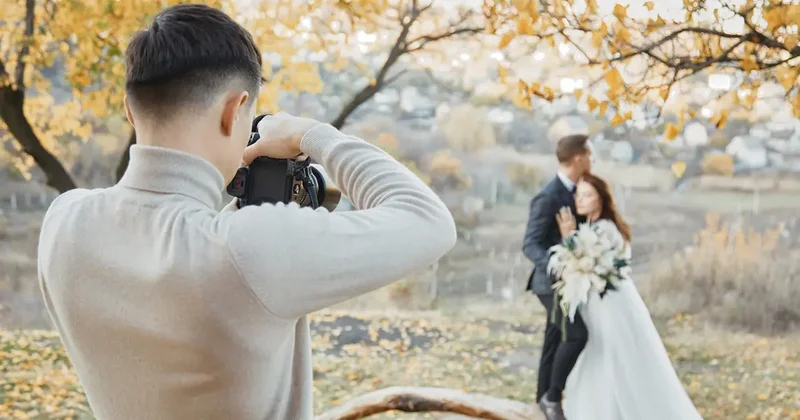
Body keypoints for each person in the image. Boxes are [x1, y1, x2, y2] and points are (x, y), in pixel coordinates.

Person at [37, 5, 456, 420]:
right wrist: (311, 135)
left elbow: (180, 243)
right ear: (233, 110)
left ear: (130, 110)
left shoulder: (64, 223)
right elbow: (428, 220)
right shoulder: (248, 248)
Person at [556, 173, 703, 420]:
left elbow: (589, 263)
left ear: (601, 199)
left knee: (611, 354)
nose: (580, 201)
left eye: (588, 195)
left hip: (610, 304)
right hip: (605, 302)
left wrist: (569, 237)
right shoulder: (595, 226)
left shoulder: (604, 228)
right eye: (578, 195)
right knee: (601, 355)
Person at [521, 134, 593, 420]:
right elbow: (530, 244)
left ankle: (542, 400)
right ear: (578, 157)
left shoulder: (580, 190)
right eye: (590, 155)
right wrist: (559, 265)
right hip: (549, 284)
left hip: (571, 282)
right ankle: (553, 398)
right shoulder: (548, 196)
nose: (592, 161)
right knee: (576, 335)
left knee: (554, 339)